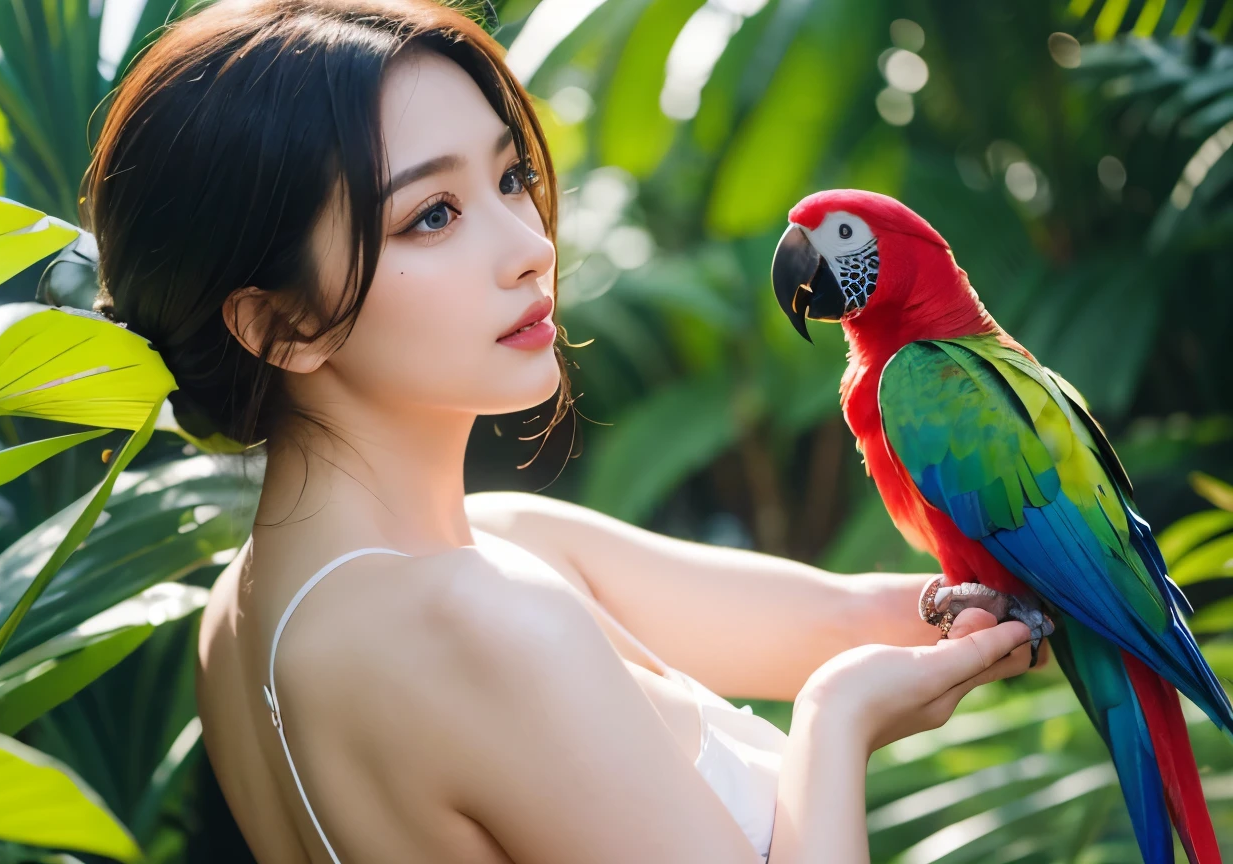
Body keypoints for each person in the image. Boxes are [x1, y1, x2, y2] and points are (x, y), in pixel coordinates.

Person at [81, 0, 1039, 860]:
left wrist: (1068, 583)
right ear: (278, 324)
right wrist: (836, 722)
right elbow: (838, 671)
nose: (531, 247)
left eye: (509, 177)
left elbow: (856, 620)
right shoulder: (485, 624)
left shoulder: (259, 612)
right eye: (434, 214)